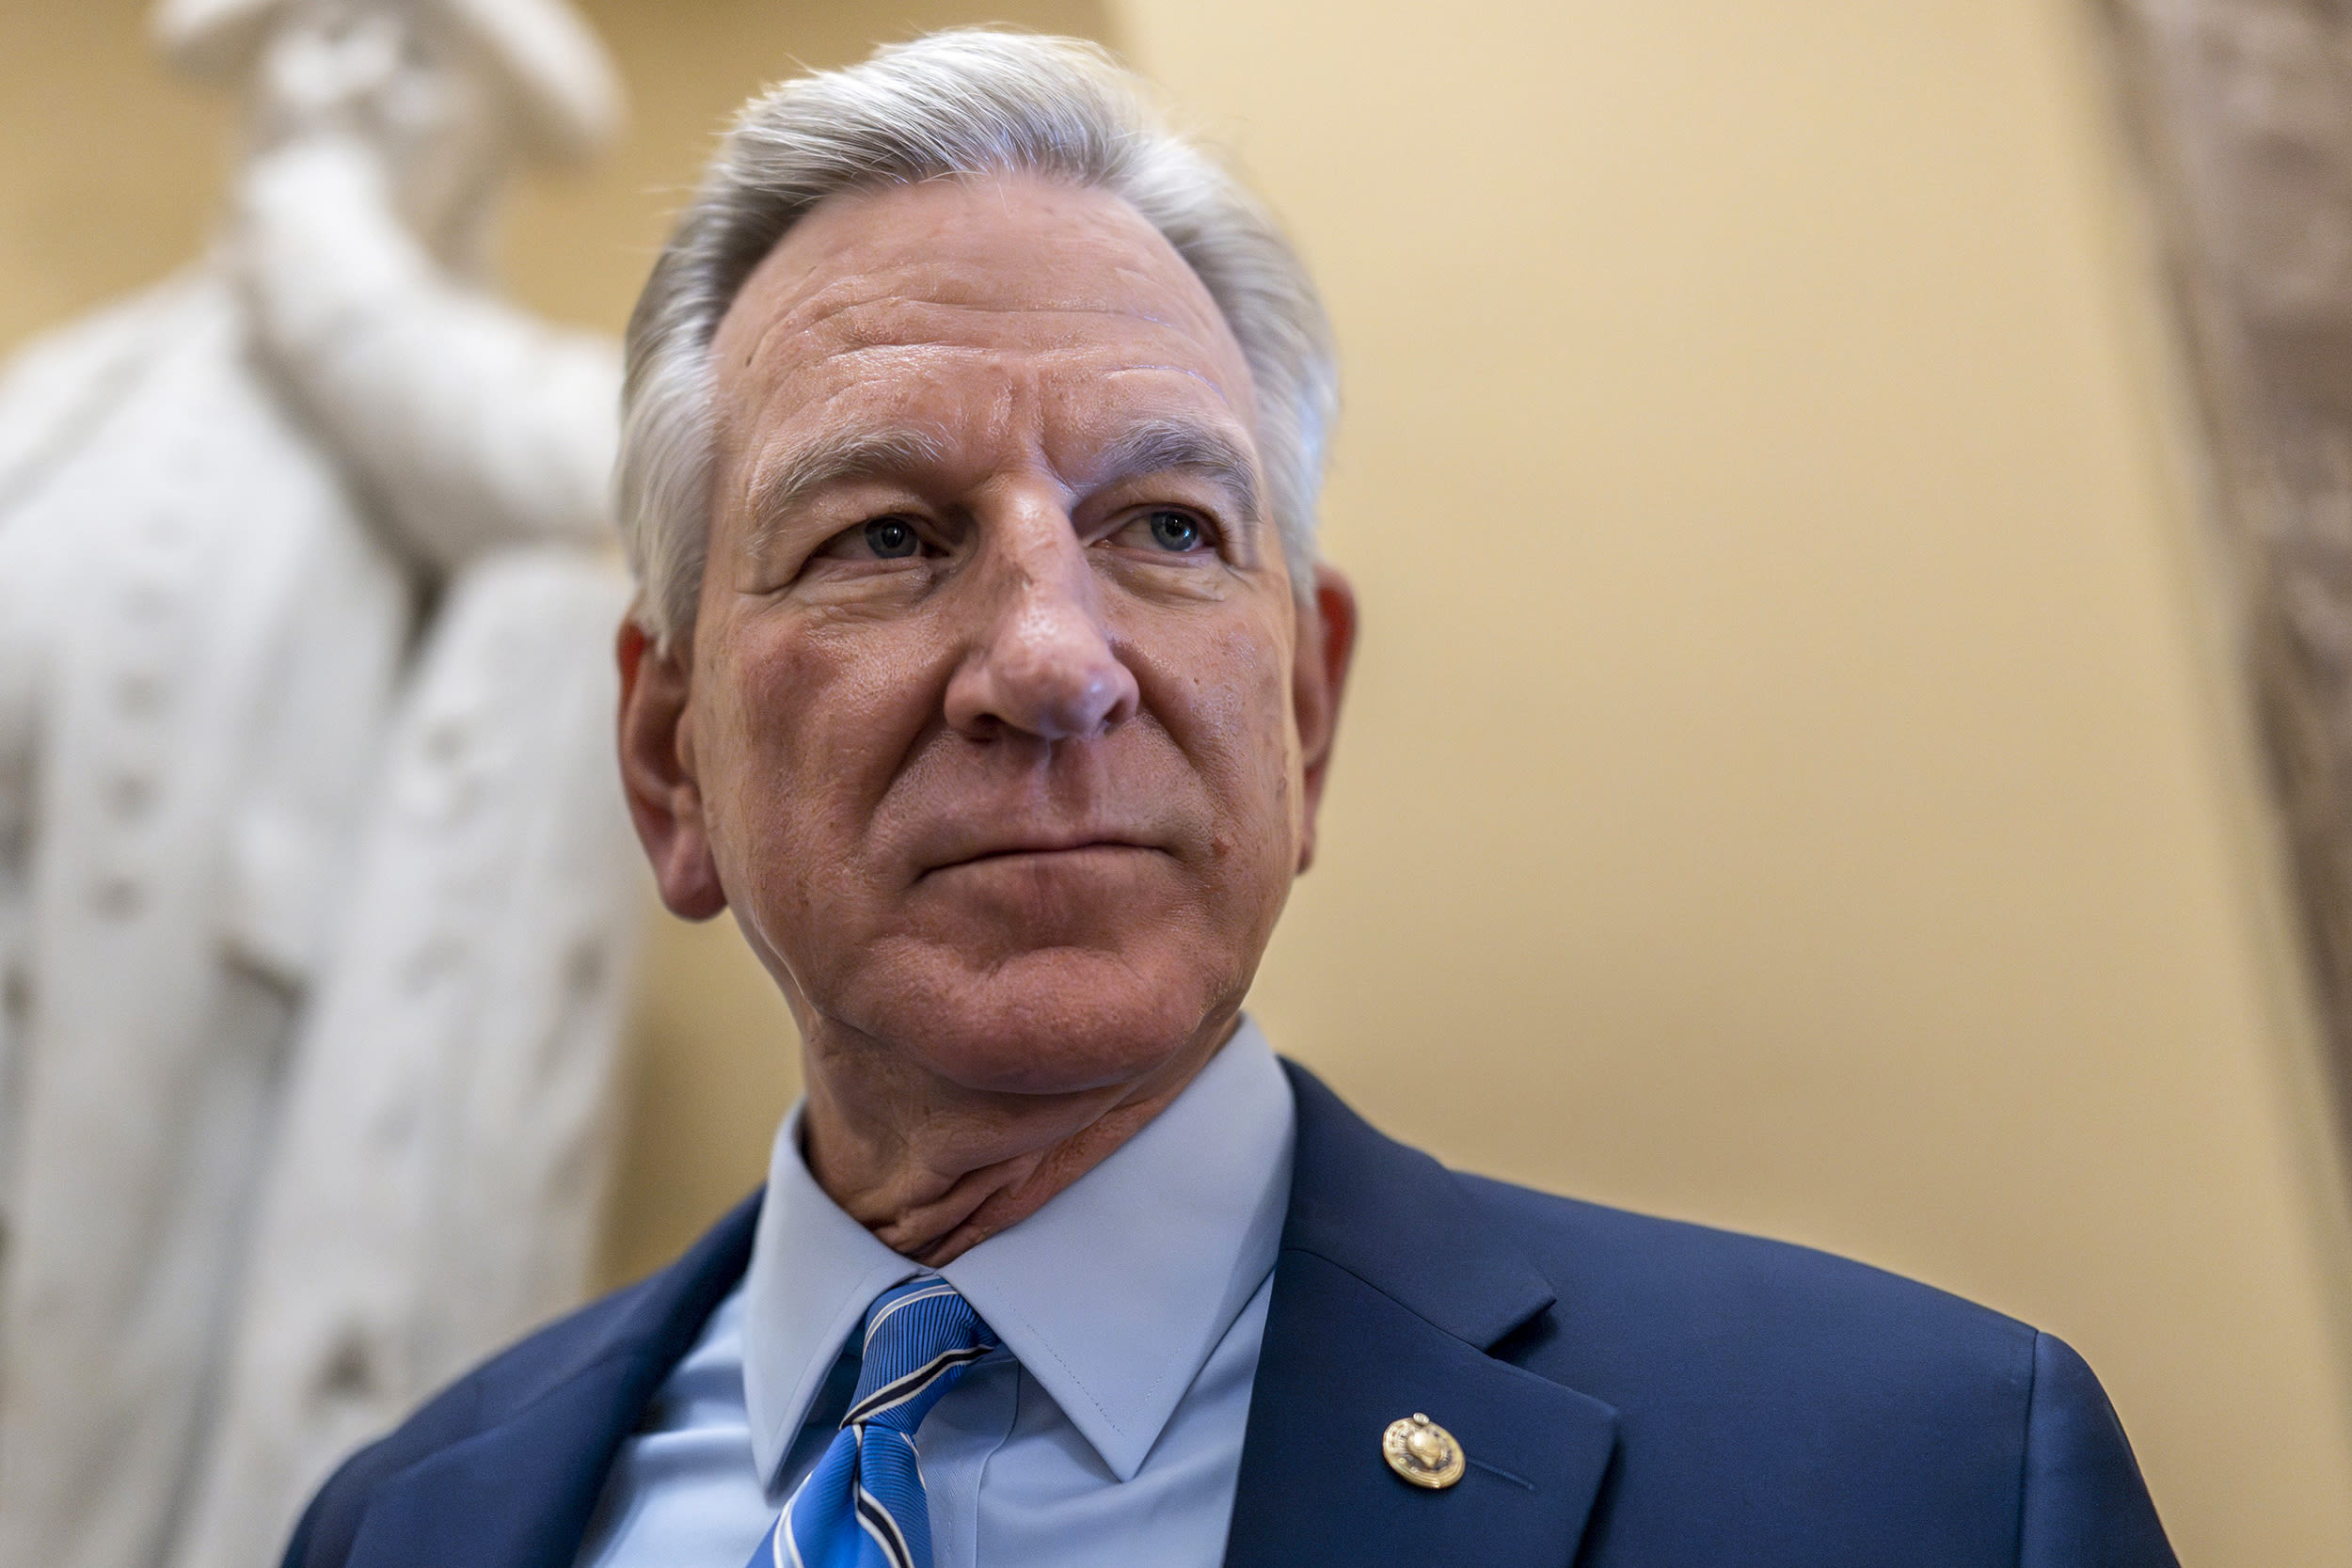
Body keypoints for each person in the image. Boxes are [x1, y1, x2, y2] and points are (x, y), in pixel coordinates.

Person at [282, 29, 2178, 1568]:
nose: (1050, 657)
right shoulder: (411, 1528)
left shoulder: (1917, 1487)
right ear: (661, 759)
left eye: (1166, 527)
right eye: (886, 534)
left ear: (1305, 707)